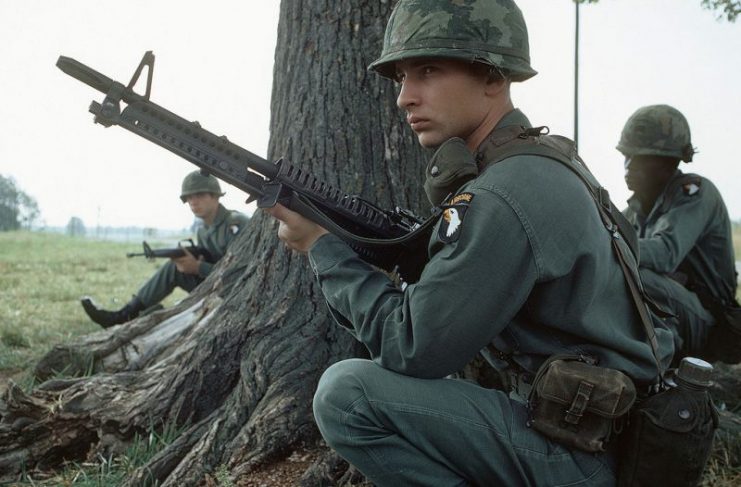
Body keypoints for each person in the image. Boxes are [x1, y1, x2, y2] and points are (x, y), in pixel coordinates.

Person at [266, 1, 675, 485]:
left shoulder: (504, 192)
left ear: (493, 78)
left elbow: (412, 348)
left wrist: (323, 248)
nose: (405, 97)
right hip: (602, 432)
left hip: (585, 456)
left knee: (347, 394)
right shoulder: (542, 160)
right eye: (401, 77)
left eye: (429, 70)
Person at [619, 104, 740, 363]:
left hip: (710, 322)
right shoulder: (635, 208)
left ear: (667, 162)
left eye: (639, 158)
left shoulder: (694, 194)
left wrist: (607, 242)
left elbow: (664, 254)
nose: (628, 166)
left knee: (637, 276)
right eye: (626, 156)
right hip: (675, 310)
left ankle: (661, 368)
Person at [81, 170, 249, 328]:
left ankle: (127, 316)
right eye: (189, 197)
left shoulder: (235, 223)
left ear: (215, 196)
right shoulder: (203, 229)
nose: (193, 201)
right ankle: (126, 314)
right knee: (174, 267)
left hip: (236, 291)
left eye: (199, 194)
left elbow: (241, 271)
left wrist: (198, 267)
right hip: (213, 285)